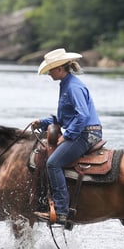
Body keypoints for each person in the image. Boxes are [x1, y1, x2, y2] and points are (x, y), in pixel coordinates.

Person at [31, 48, 103, 227]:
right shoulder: (66, 84)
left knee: (53, 163)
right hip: (83, 130)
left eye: (50, 70)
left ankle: (62, 211)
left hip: (87, 133)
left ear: (59, 69)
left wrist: (68, 136)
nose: (48, 73)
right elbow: (63, 119)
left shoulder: (73, 87)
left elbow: (83, 115)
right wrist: (43, 122)